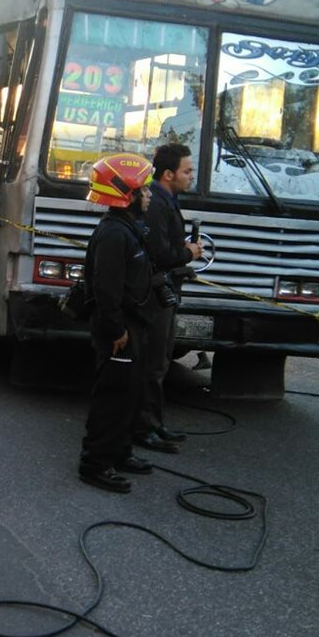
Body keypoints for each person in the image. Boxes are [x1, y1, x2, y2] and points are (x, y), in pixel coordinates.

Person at [79, 154, 156, 494]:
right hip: (118, 330)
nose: (151, 195)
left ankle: (120, 453)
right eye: (147, 189)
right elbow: (106, 289)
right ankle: (95, 464)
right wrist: (116, 331)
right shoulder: (113, 234)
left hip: (132, 326)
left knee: (129, 393)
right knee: (112, 397)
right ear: (128, 192)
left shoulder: (128, 229)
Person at [135, 143, 204, 453]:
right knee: (152, 364)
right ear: (168, 174)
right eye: (187, 171)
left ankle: (154, 423)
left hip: (167, 292)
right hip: (154, 295)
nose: (191, 176)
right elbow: (160, 254)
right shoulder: (157, 203)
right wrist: (188, 253)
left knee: (161, 362)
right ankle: (143, 428)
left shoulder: (167, 199)